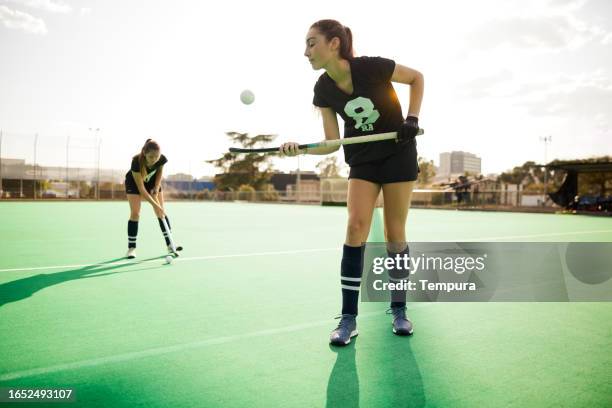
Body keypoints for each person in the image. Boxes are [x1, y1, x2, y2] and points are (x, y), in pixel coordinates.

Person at [280, 19, 424, 346]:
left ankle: (399, 310)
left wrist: (412, 120)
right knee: (355, 227)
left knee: (394, 233)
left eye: (311, 43)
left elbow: (416, 78)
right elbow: (332, 143)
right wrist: (299, 149)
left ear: (334, 44)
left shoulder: (371, 68)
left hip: (398, 153)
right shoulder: (323, 89)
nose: (306, 52)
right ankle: (348, 319)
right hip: (363, 160)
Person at [124, 139, 174, 259]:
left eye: (156, 156)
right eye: (151, 157)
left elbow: (159, 174)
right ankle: (131, 248)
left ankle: (170, 244)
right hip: (135, 184)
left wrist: (156, 188)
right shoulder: (136, 161)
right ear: (144, 153)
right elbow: (141, 189)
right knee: (135, 213)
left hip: (152, 183)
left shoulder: (161, 159)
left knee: (161, 213)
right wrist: (155, 204)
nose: (154, 160)